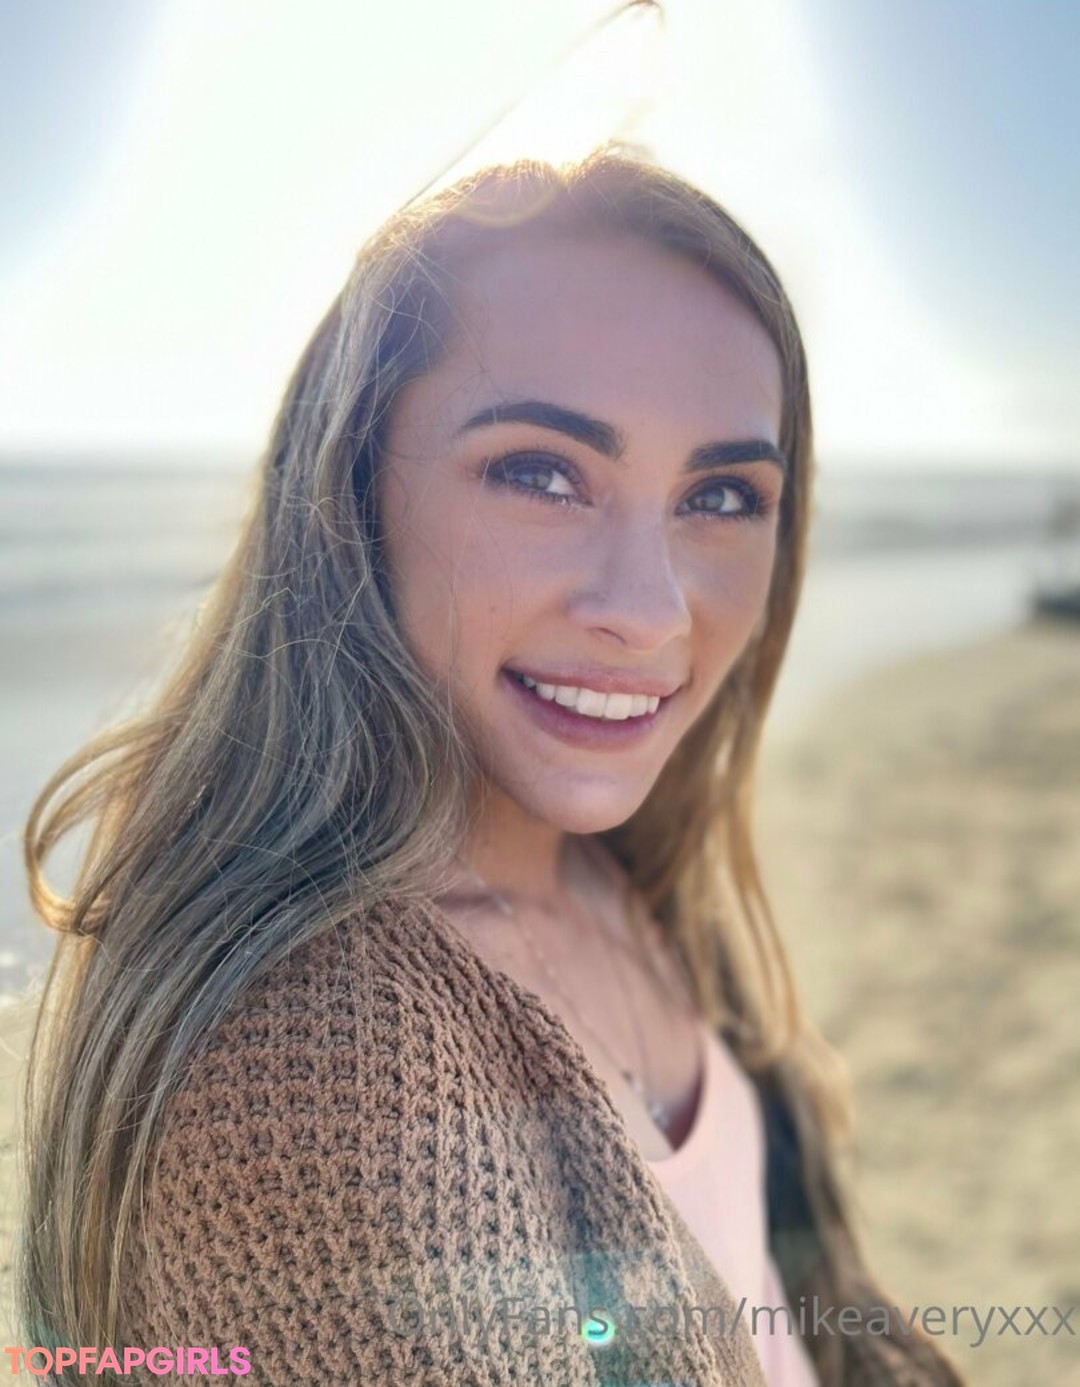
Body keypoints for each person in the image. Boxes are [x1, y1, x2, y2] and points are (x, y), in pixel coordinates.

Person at [16, 149, 965, 1386]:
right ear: (352, 495)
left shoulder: (626, 873)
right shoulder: (321, 1067)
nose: (652, 612)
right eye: (541, 473)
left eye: (725, 495)